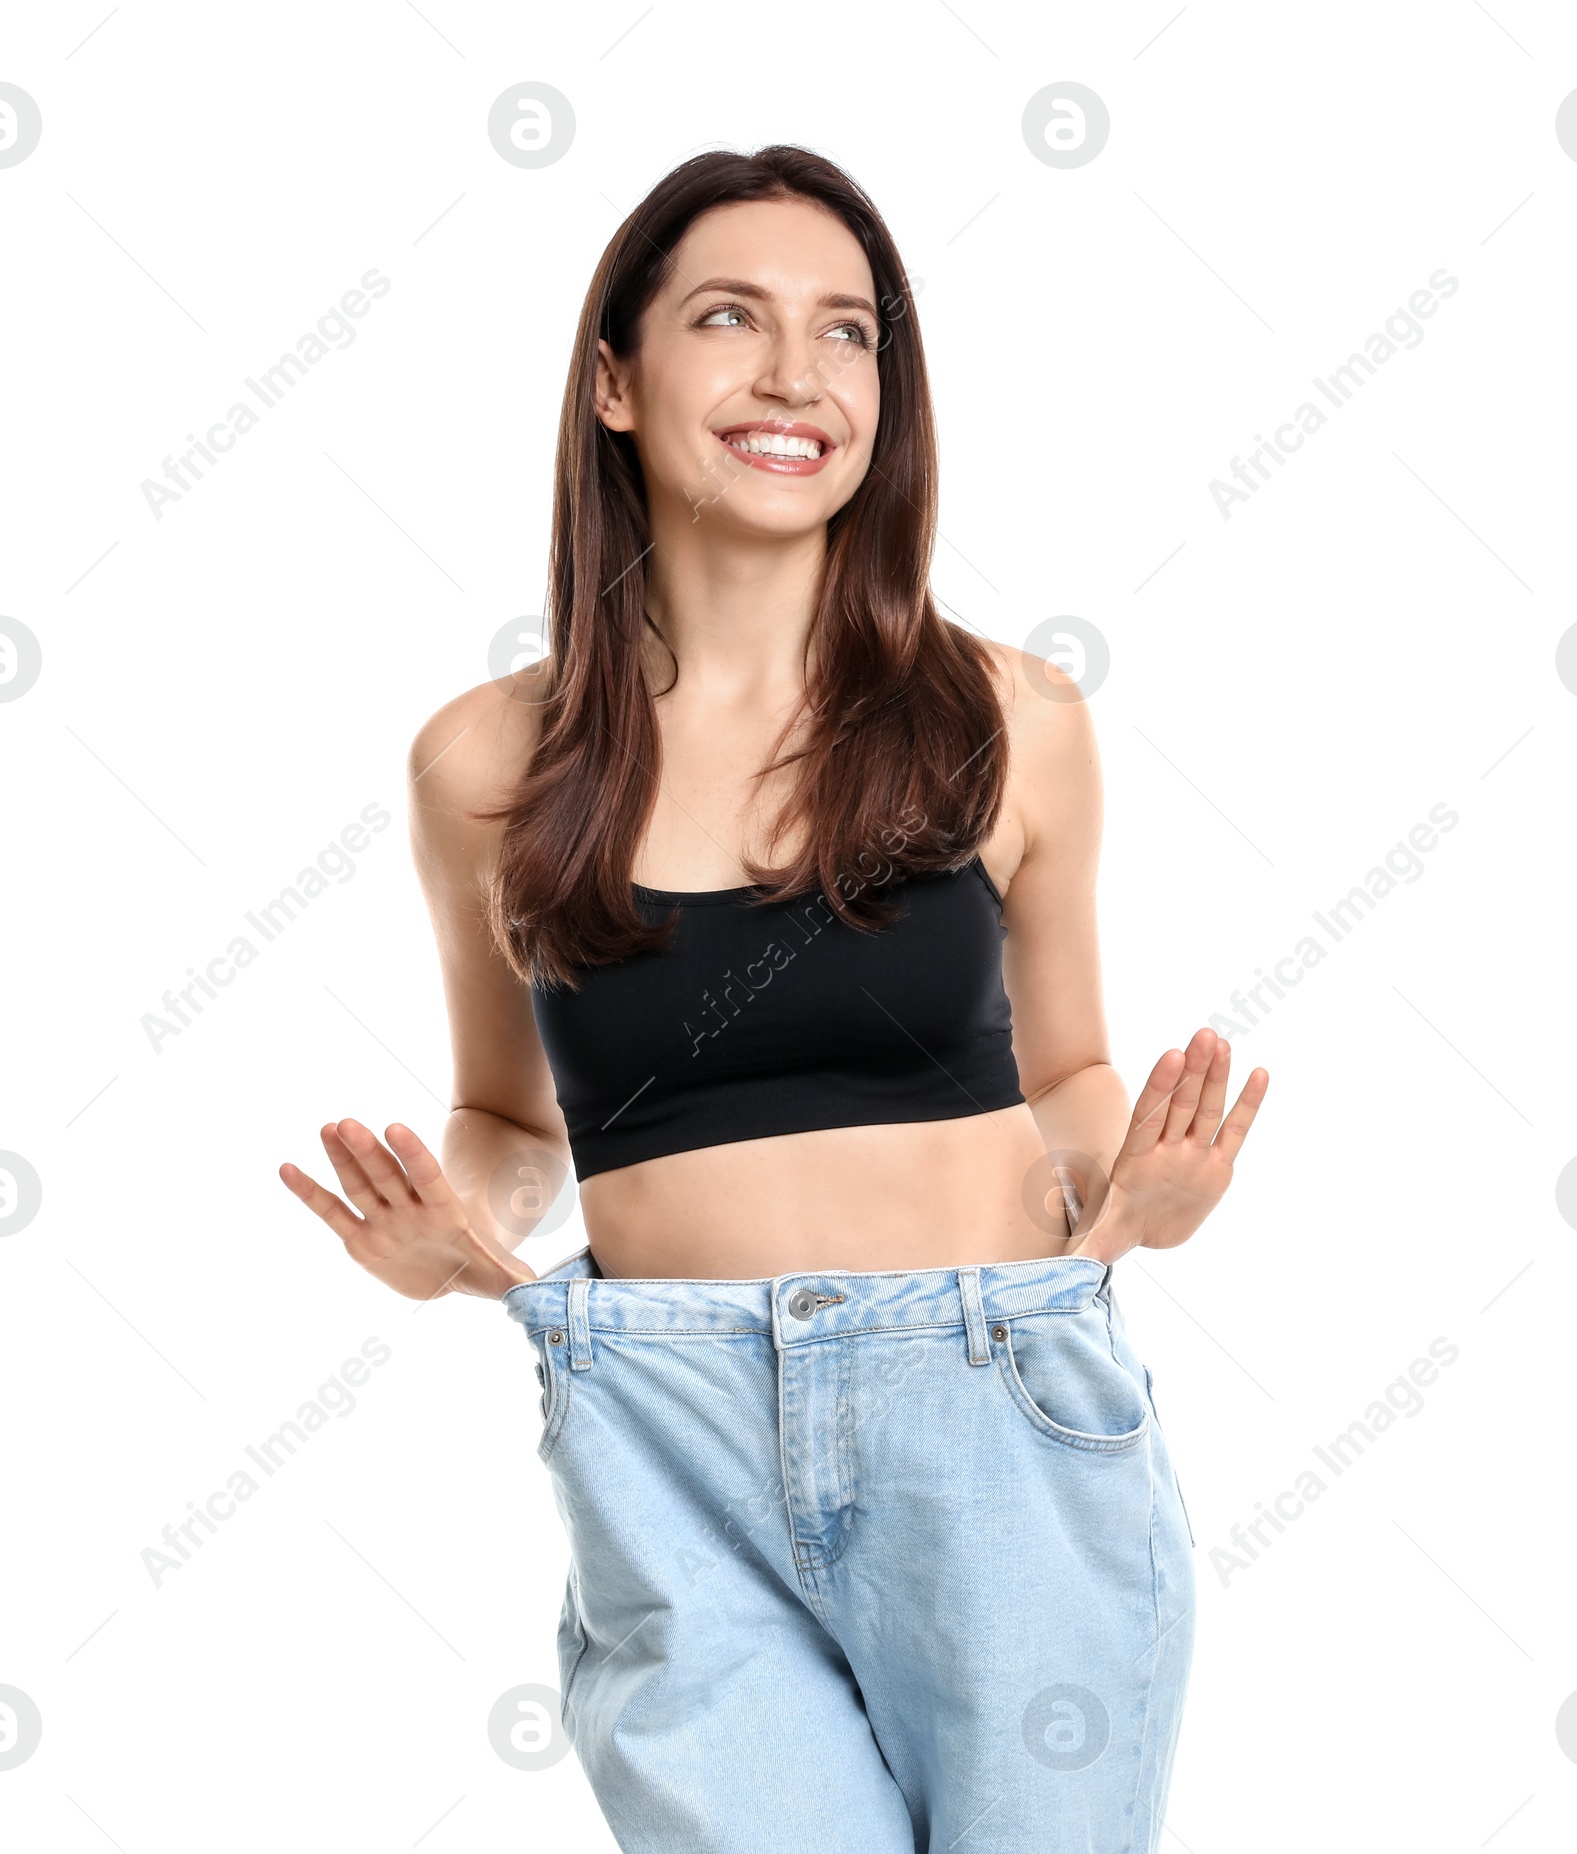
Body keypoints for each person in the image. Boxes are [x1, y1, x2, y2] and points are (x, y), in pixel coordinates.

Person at [278, 144, 1267, 1854]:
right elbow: (514, 1119)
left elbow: (1076, 1063)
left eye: (848, 332)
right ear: (612, 376)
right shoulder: (485, 764)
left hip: (1001, 1421)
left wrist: (1140, 1199)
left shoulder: (1008, 716)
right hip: (663, 1435)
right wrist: (461, 1230)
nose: (797, 377)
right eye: (729, 318)